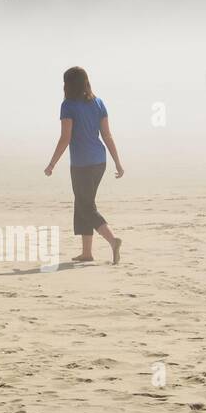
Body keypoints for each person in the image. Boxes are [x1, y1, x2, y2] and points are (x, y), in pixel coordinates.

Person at [44, 66, 124, 264]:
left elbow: (65, 138)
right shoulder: (98, 103)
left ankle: (113, 240)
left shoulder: (68, 106)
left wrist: (52, 163)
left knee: (85, 206)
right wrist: (117, 163)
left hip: (82, 164)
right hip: (99, 161)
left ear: (69, 85)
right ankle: (87, 252)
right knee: (84, 204)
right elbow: (107, 135)